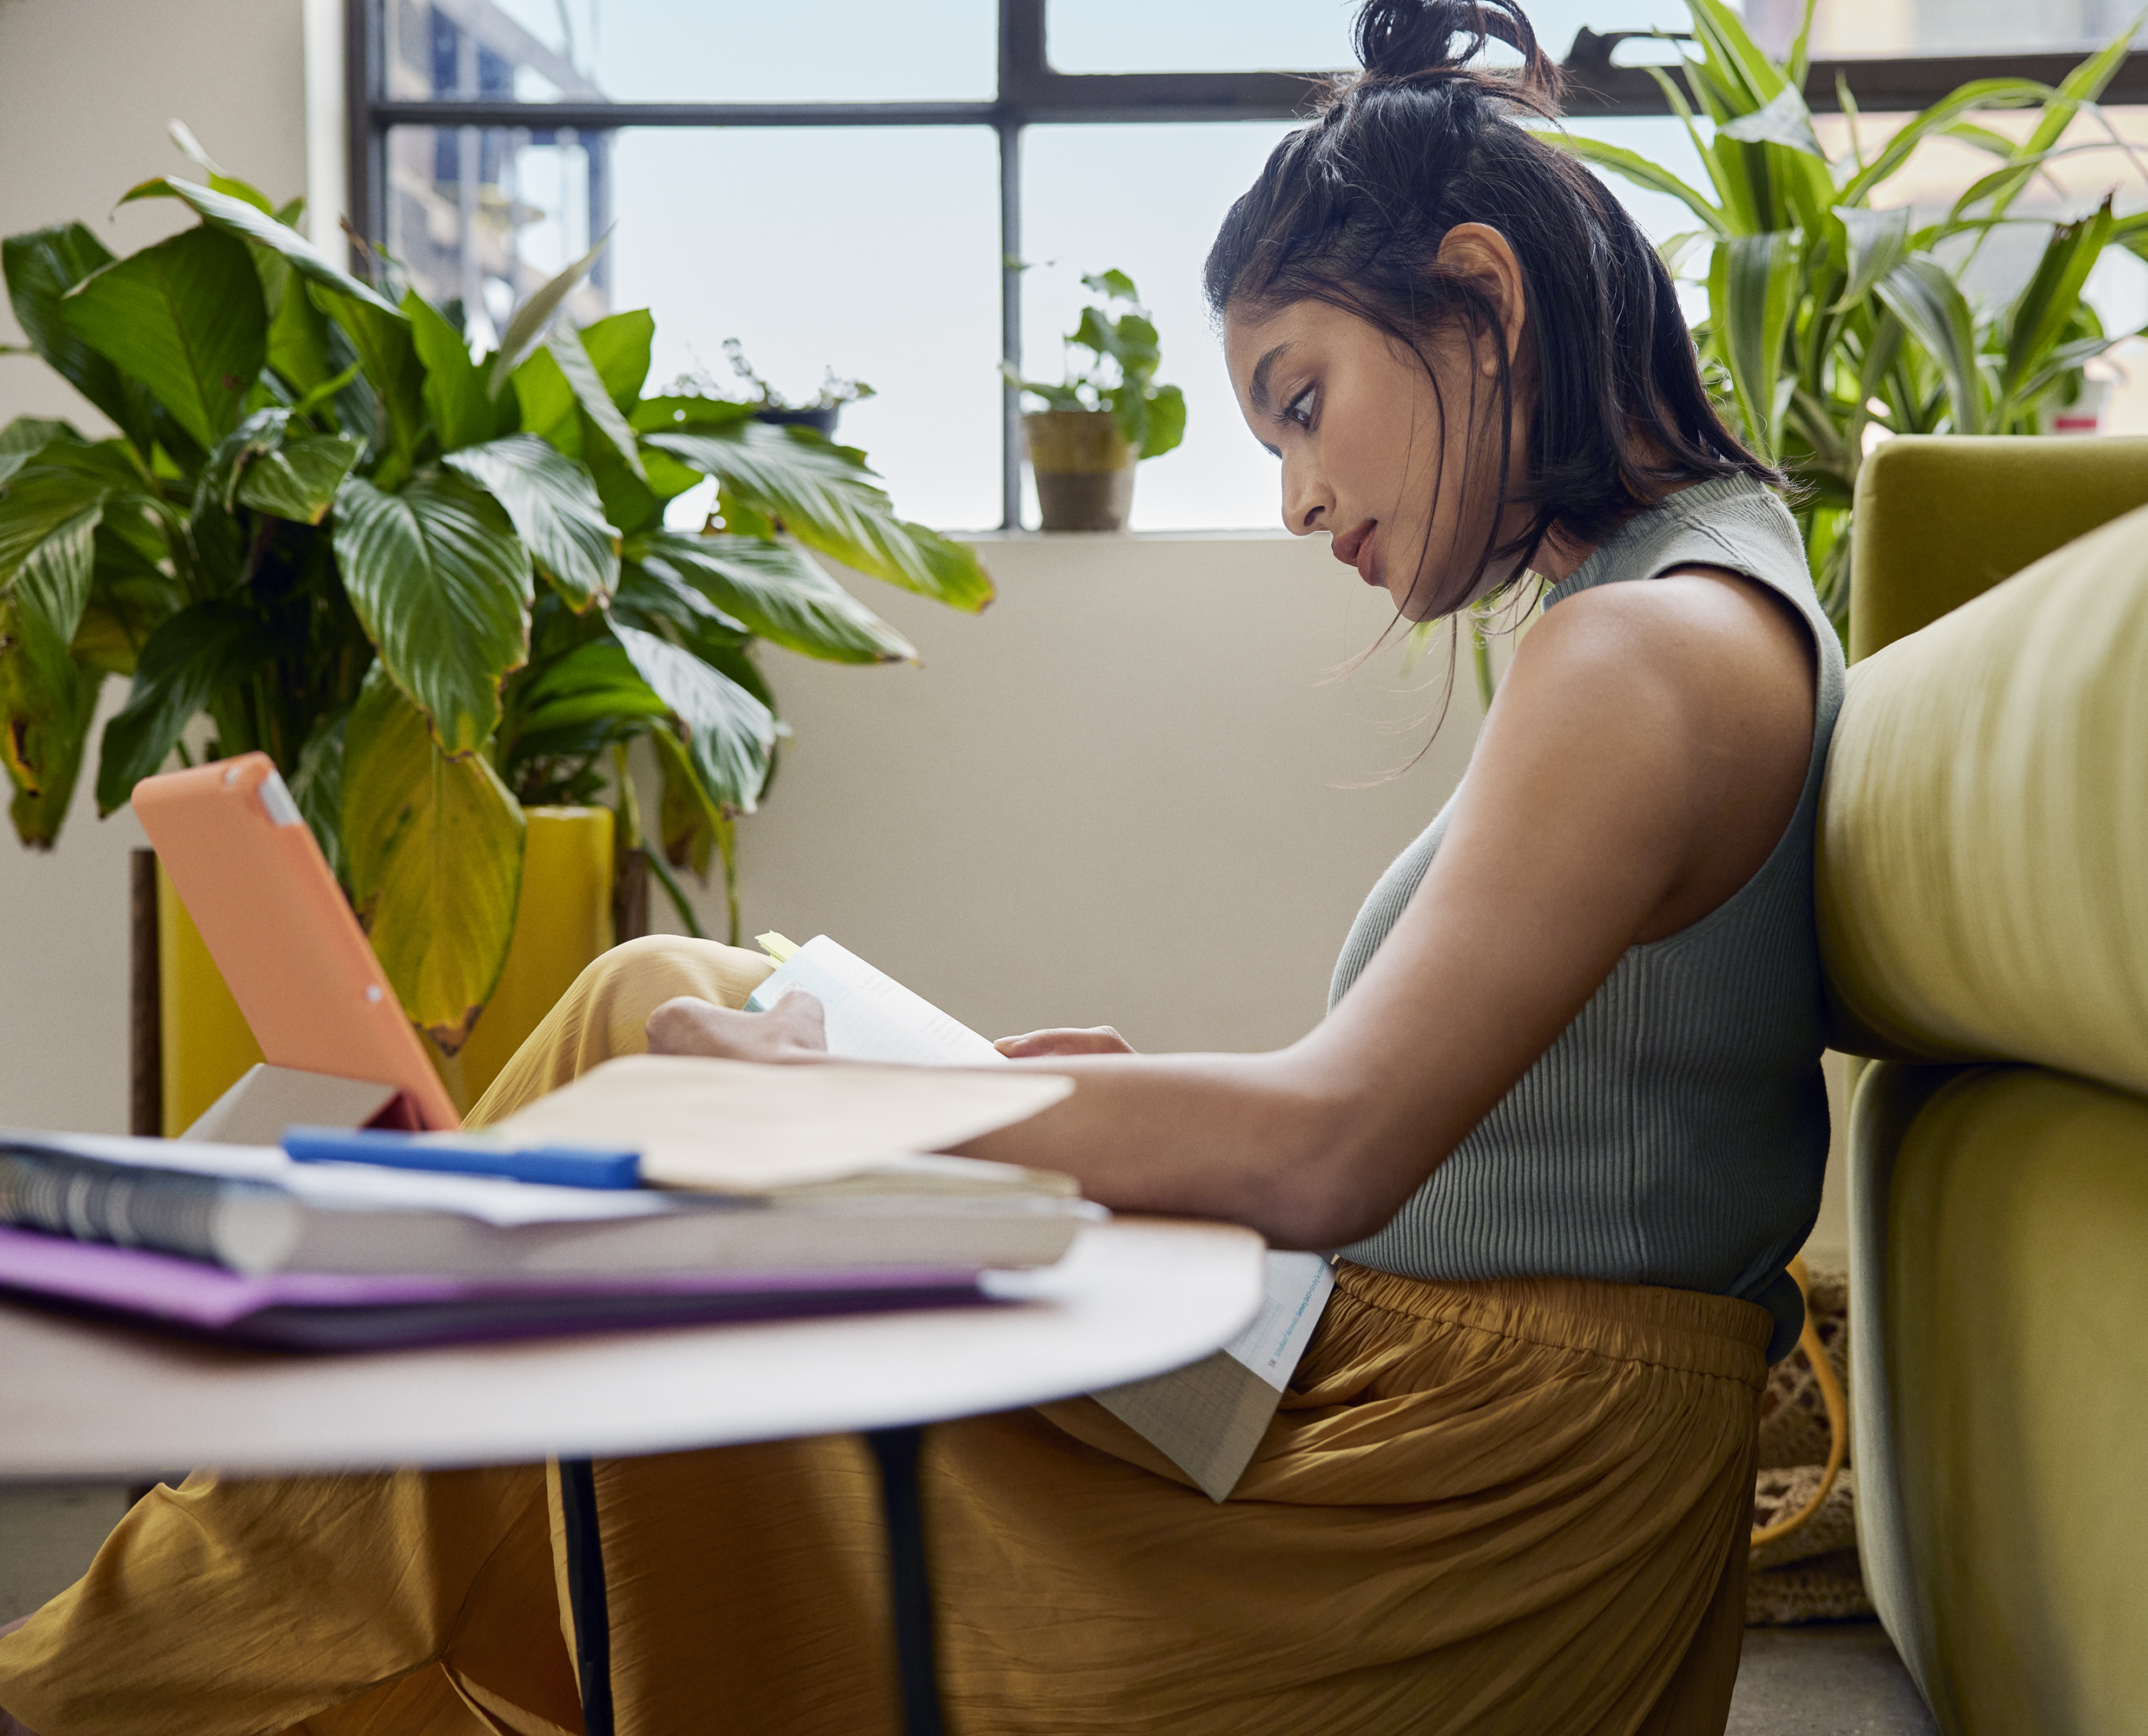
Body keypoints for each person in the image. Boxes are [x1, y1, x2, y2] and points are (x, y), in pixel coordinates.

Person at [0, 3, 1843, 1731]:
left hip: (1453, 1493)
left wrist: (840, 1117)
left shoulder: (1641, 653)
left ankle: (114, 1671)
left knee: (638, 1117)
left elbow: (1326, 1145)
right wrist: (1030, 1107)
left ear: (1481, 295)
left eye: (1299, 399)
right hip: (1414, 1405)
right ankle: (192, 1637)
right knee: (662, 1017)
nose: (1295, 497)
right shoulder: (1673, 601)